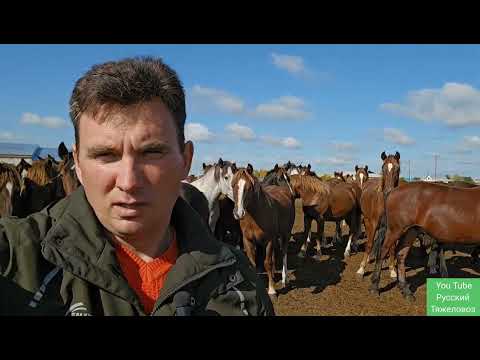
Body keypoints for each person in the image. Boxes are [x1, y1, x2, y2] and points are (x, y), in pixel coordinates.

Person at [0, 56, 274, 316]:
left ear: (186, 160)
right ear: (78, 165)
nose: (129, 181)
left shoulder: (240, 283)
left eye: (151, 153)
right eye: (105, 155)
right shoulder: (18, 258)